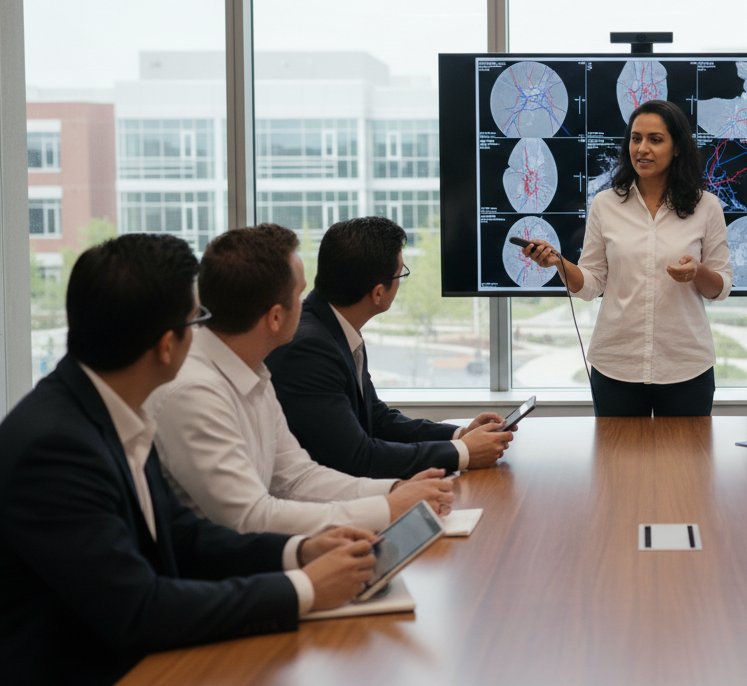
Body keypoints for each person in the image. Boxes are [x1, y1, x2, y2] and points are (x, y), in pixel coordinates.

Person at [0, 234, 380, 685]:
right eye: (196, 319)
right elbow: (139, 609)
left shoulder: (110, 408)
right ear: (167, 346)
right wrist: (304, 588)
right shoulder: (56, 447)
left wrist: (298, 551)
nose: (204, 333)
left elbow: (182, 535)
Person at [148, 224, 455, 536]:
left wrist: (394, 490)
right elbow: (249, 518)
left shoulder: (252, 369)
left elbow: (296, 478)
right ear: (275, 317)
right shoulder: (193, 392)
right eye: (299, 294)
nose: (307, 302)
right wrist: (388, 507)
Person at [519, 99, 733, 417]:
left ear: (677, 148)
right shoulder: (605, 204)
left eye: (655, 139)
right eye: (636, 138)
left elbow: (721, 287)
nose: (642, 148)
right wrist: (558, 263)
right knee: (615, 452)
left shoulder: (707, 206)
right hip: (616, 366)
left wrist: (697, 271)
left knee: (686, 453)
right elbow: (591, 284)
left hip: (686, 366)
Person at [266, 216, 510, 479]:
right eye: (401, 274)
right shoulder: (310, 349)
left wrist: (460, 435)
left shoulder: (334, 326)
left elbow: (376, 418)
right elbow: (358, 457)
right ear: (378, 293)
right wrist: (462, 452)